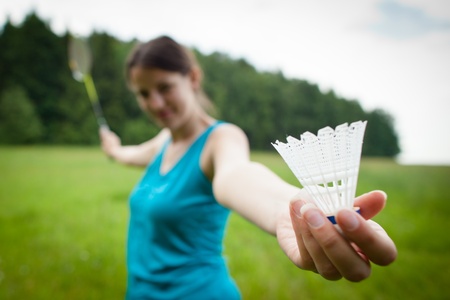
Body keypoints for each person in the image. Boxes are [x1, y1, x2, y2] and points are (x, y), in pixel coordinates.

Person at [99, 35, 397, 300]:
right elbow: (128, 154)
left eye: (165, 87)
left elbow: (235, 177)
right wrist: (112, 148)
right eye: (143, 93)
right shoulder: (163, 142)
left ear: (192, 78)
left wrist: (293, 208)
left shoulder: (220, 139)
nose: (156, 102)